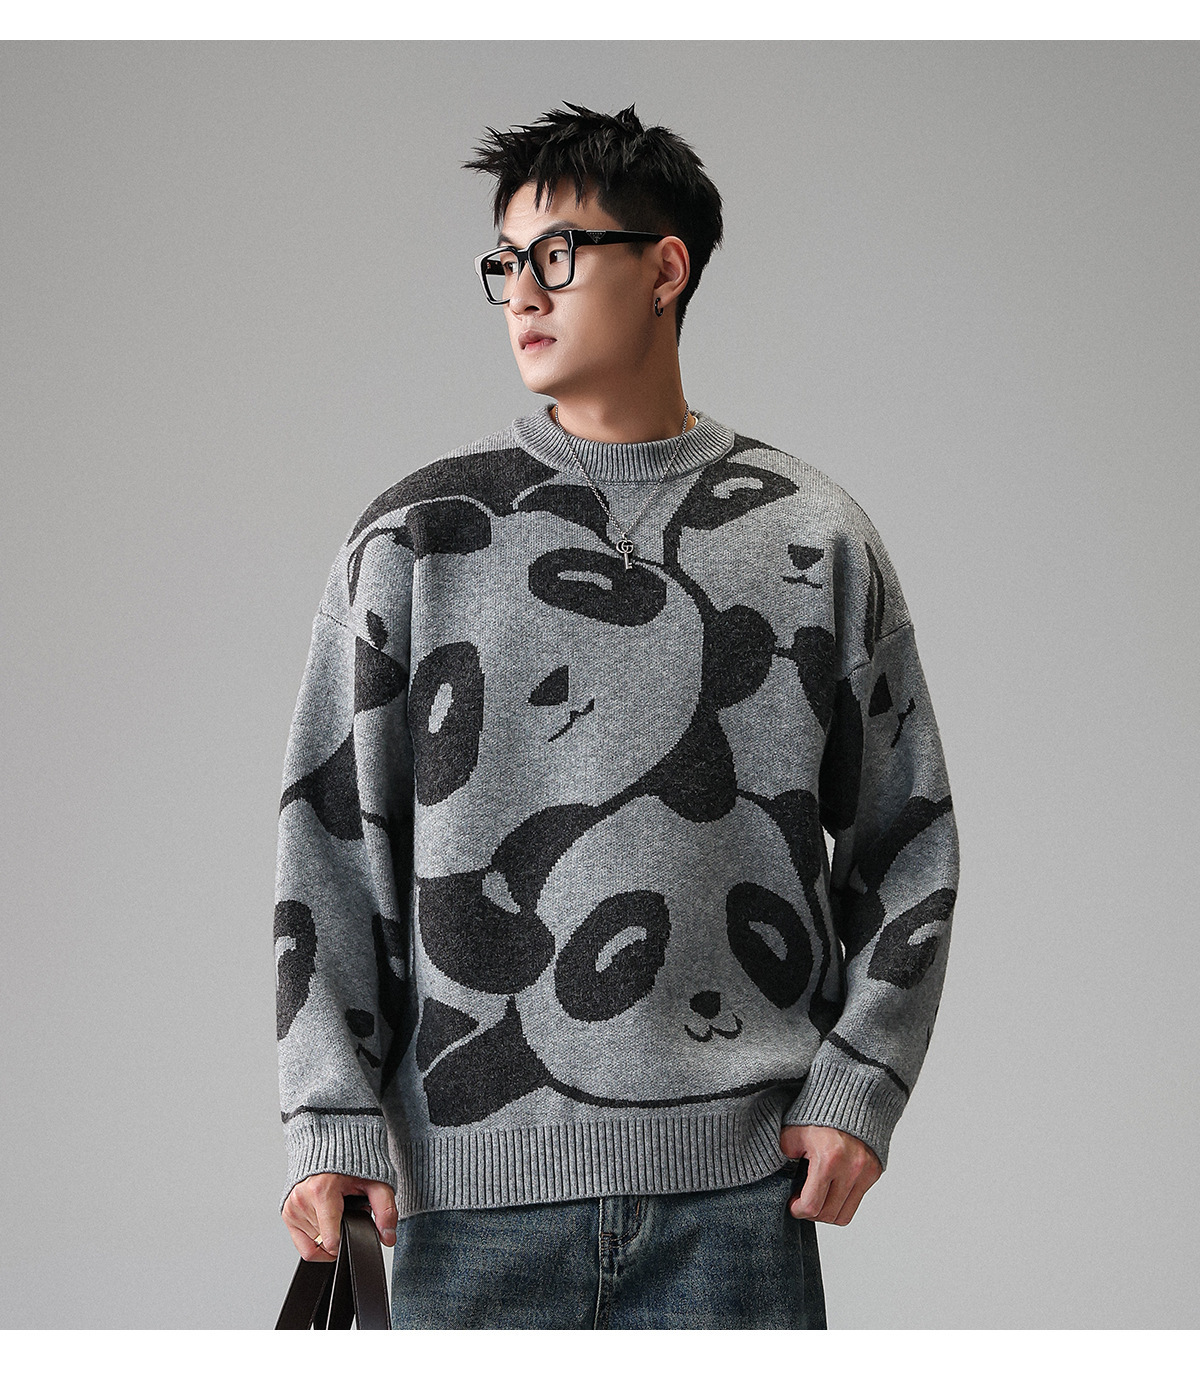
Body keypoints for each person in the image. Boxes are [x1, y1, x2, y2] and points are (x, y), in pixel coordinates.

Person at [274, 102, 960, 1329]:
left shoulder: (812, 538)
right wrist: (328, 1111)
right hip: (461, 1206)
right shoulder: (419, 539)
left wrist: (861, 1083)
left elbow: (909, 836)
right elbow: (329, 842)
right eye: (505, 262)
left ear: (665, 267)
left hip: (737, 1206)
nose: (523, 293)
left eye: (558, 253)